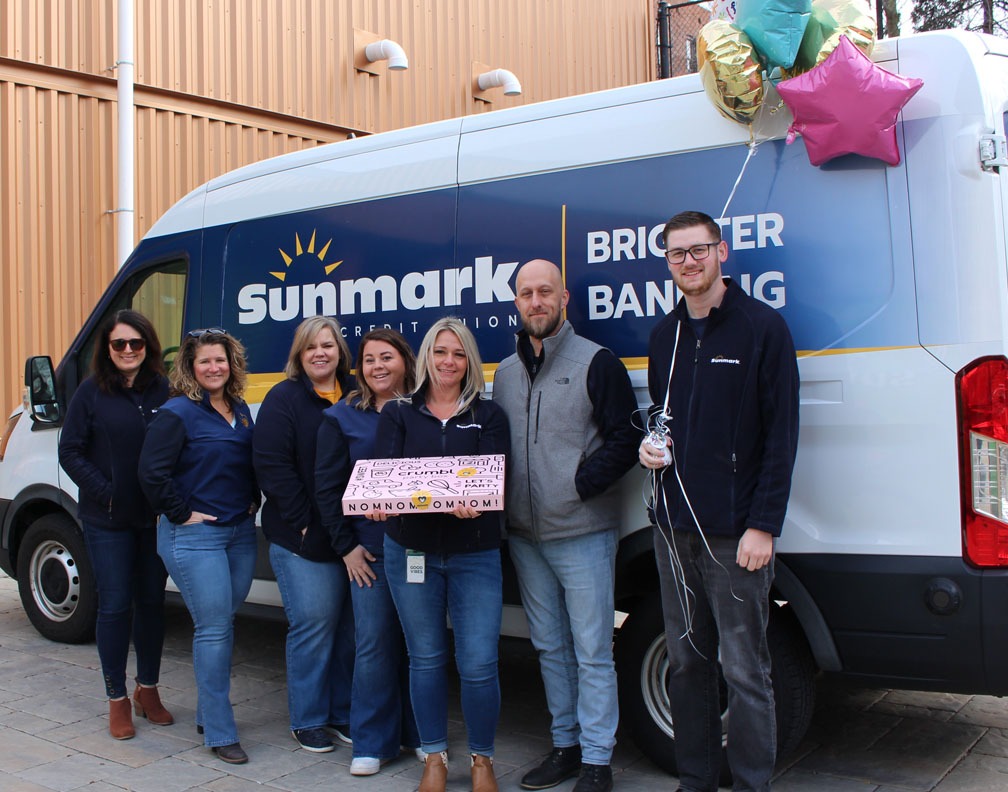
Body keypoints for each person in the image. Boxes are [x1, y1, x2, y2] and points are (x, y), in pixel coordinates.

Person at [638, 211, 800, 792]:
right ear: (668, 262)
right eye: (677, 253)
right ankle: (696, 781)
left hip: (736, 535)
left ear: (722, 252)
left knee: (746, 670)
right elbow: (666, 420)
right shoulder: (665, 336)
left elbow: (781, 437)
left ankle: (753, 783)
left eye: (699, 250)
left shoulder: (762, 328)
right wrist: (650, 451)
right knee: (686, 665)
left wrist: (764, 525)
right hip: (672, 528)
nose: (689, 262)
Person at [493, 260, 639, 792]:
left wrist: (580, 485)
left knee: (593, 649)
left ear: (564, 298)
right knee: (550, 647)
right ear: (516, 302)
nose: (536, 301)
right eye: (526, 293)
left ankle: (599, 760)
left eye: (545, 292)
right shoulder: (504, 374)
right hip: (526, 537)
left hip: (581, 533)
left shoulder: (596, 362)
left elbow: (627, 437)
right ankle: (566, 747)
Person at [370, 317, 510, 792]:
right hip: (412, 552)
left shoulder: (488, 416)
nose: (448, 361)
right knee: (425, 658)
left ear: (469, 360)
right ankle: (433, 757)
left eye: (458, 353)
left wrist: (470, 497)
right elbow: (387, 477)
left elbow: (494, 481)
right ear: (426, 357)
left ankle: (482, 761)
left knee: (478, 662)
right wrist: (384, 500)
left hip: (476, 555)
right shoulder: (399, 414)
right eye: (440, 351)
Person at [138, 328, 259, 766]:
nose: (214, 367)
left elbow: (251, 461)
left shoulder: (241, 410)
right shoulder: (177, 413)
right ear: (190, 367)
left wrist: (254, 499)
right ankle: (221, 731)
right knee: (214, 629)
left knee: (222, 623)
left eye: (220, 360)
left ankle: (209, 713)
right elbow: (151, 472)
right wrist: (180, 512)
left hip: (240, 533)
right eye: (205, 361)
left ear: (232, 363)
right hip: (194, 536)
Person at [58, 310, 172, 740]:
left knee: (151, 603)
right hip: (107, 520)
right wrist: (106, 490)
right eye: (119, 344)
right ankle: (117, 698)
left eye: (136, 344)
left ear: (148, 347)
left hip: (153, 518)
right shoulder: (91, 393)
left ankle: (148, 689)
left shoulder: (165, 390)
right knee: (115, 605)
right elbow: (70, 452)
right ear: (107, 349)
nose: (127, 351)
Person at [315, 328, 422, 776]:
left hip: (420, 548)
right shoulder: (341, 417)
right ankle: (372, 741)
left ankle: (419, 735)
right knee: (374, 642)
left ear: (405, 361)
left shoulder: (425, 410)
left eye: (388, 358)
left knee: (421, 644)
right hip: (370, 553)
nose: (379, 367)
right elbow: (327, 489)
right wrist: (348, 550)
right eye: (370, 359)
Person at [252, 316, 356, 754]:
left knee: (350, 632)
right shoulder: (284, 398)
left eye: (328, 346)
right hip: (303, 539)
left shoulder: (357, 394)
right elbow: (271, 466)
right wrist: (304, 521)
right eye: (311, 347)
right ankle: (309, 719)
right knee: (314, 625)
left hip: (353, 537)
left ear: (339, 352)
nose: (320, 353)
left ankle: (342, 713)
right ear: (299, 354)